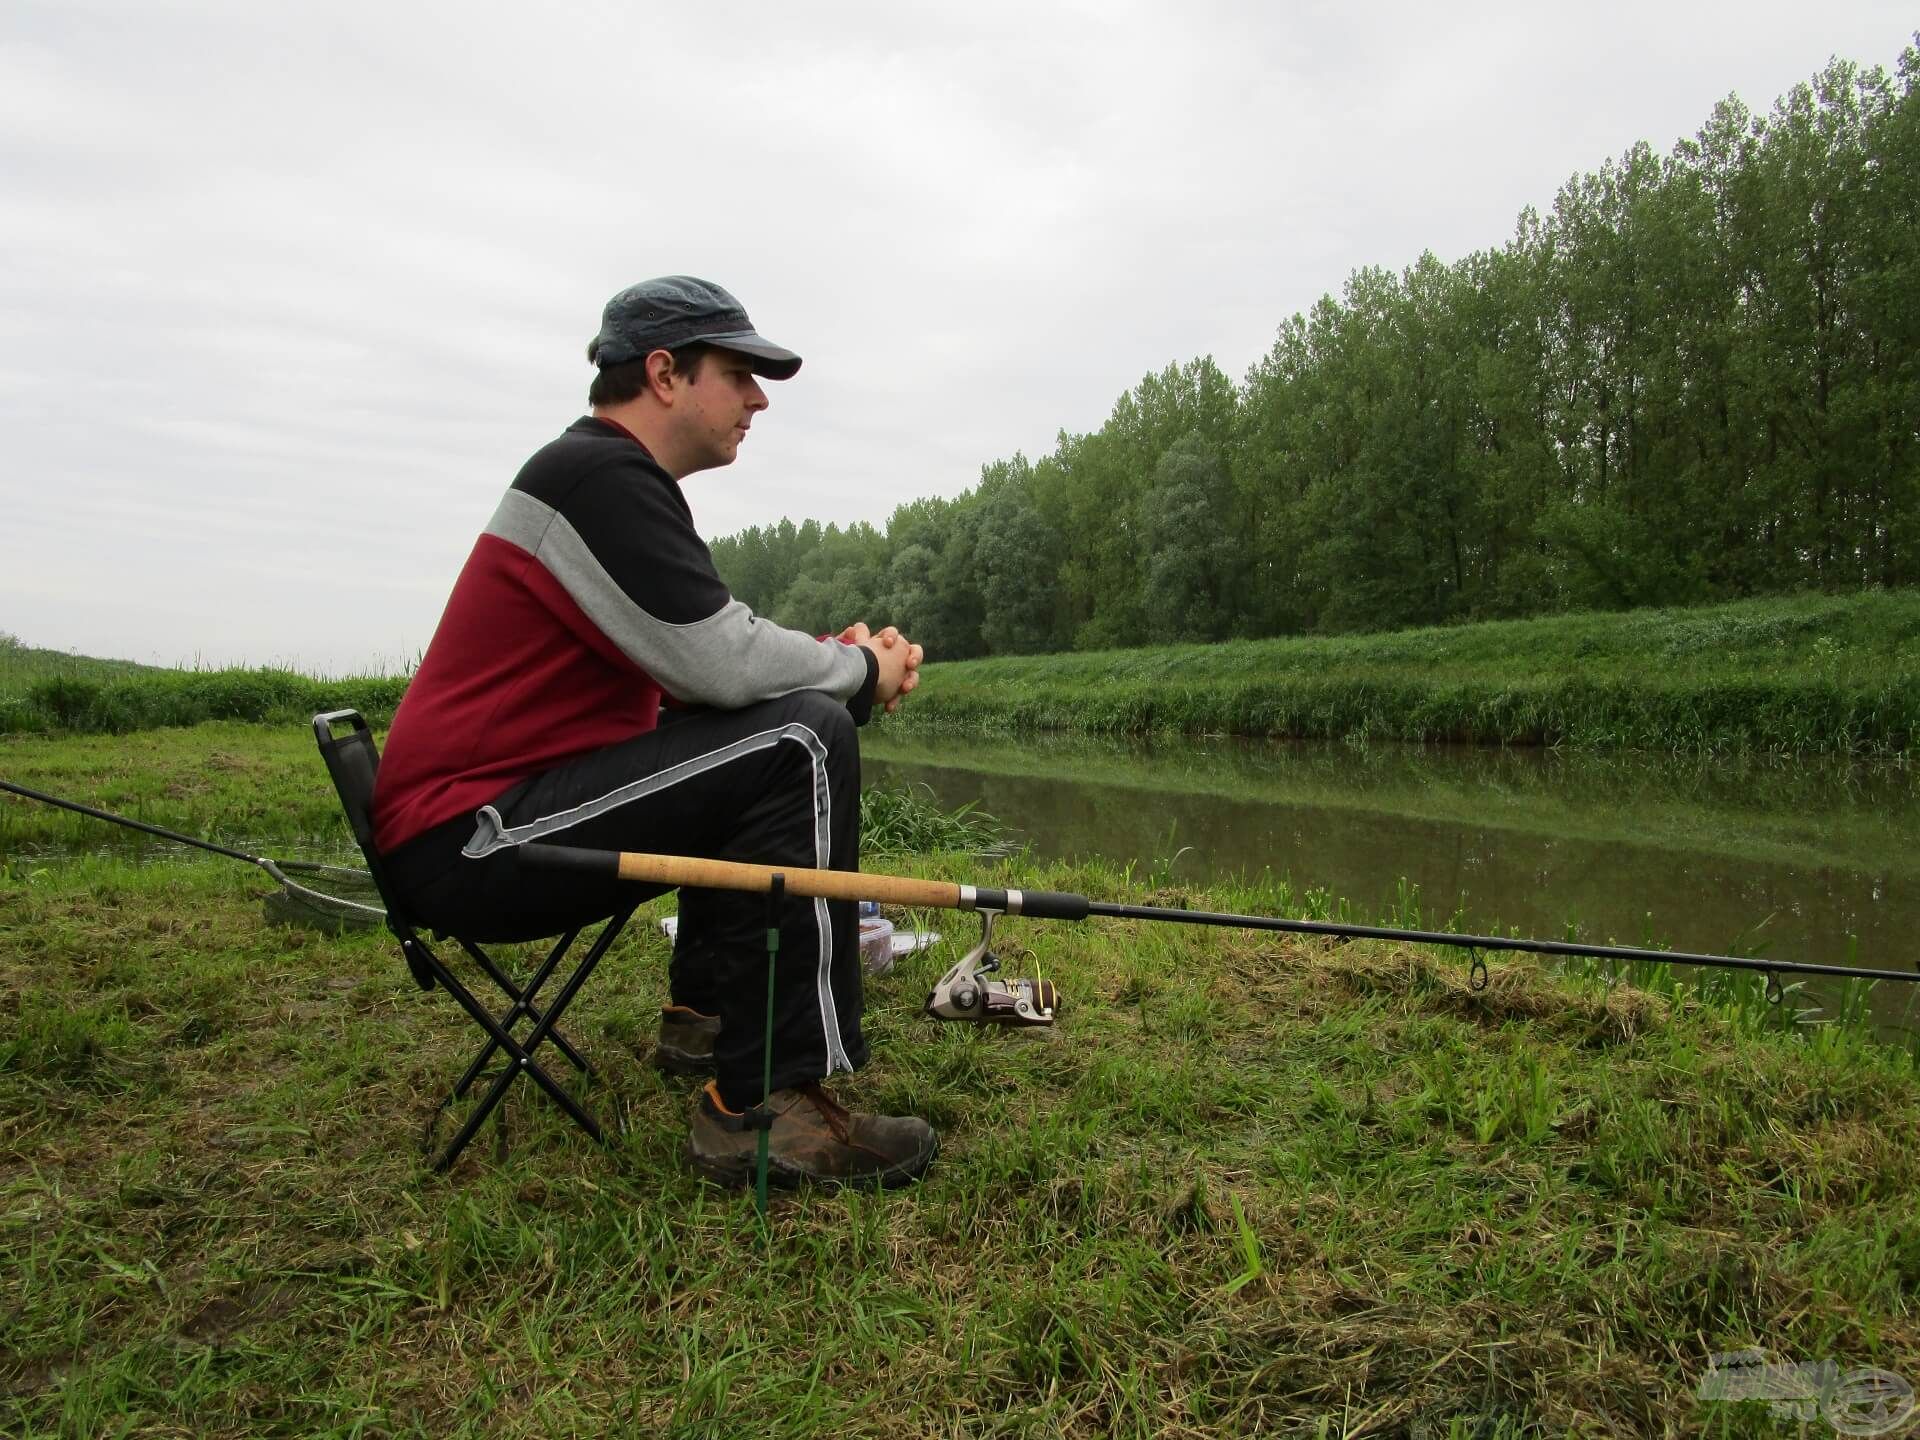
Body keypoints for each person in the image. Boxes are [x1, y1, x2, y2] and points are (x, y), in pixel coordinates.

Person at [369, 275, 935, 1187]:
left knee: (761, 728)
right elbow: (719, 656)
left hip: (484, 823)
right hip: (471, 839)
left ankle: (707, 1016)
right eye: (740, 372)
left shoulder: (611, 481)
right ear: (665, 373)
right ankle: (765, 1104)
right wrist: (861, 670)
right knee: (803, 739)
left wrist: (840, 655)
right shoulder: (596, 475)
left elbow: (707, 663)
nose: (757, 399)